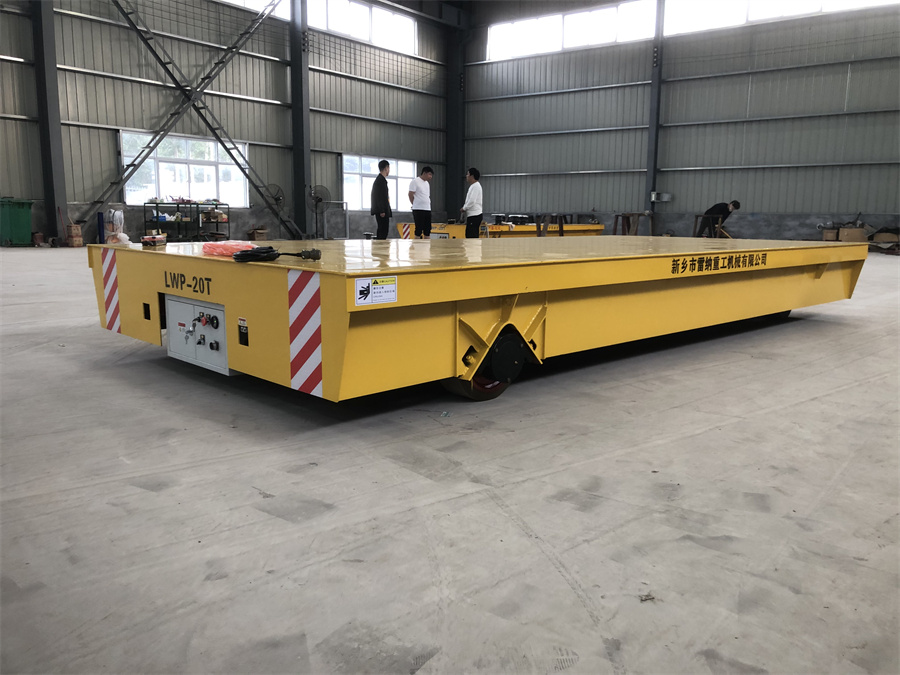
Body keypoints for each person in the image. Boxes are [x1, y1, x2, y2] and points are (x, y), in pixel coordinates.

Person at [408, 166, 434, 239]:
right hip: (418, 209)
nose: (431, 177)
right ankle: (417, 245)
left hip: (427, 209)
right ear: (424, 173)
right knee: (418, 230)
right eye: (429, 174)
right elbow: (410, 194)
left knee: (427, 230)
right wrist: (414, 204)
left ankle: (427, 245)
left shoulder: (427, 184)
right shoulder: (415, 181)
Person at [370, 160, 392, 240]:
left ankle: (380, 246)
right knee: (383, 231)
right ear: (386, 168)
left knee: (383, 230)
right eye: (389, 168)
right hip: (381, 211)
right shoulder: (380, 181)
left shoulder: (381, 180)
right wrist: (382, 210)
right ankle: (380, 246)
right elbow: (379, 196)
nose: (389, 170)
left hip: (382, 209)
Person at [460, 167, 483, 239]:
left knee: (471, 236)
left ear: (472, 176)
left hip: (475, 215)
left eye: (468, 174)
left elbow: (472, 201)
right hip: (472, 215)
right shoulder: (473, 186)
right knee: (470, 234)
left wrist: (464, 208)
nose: (466, 176)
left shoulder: (476, 186)